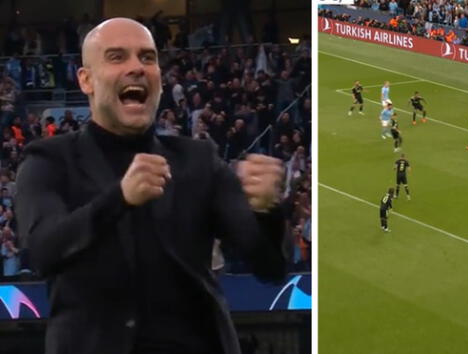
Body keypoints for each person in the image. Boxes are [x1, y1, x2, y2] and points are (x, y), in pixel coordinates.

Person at [16, 18, 286, 354]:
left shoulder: (199, 160)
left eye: (147, 58)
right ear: (85, 80)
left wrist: (266, 210)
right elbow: (43, 250)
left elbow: (269, 267)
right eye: (117, 57)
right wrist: (119, 199)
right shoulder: (48, 161)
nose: (137, 68)